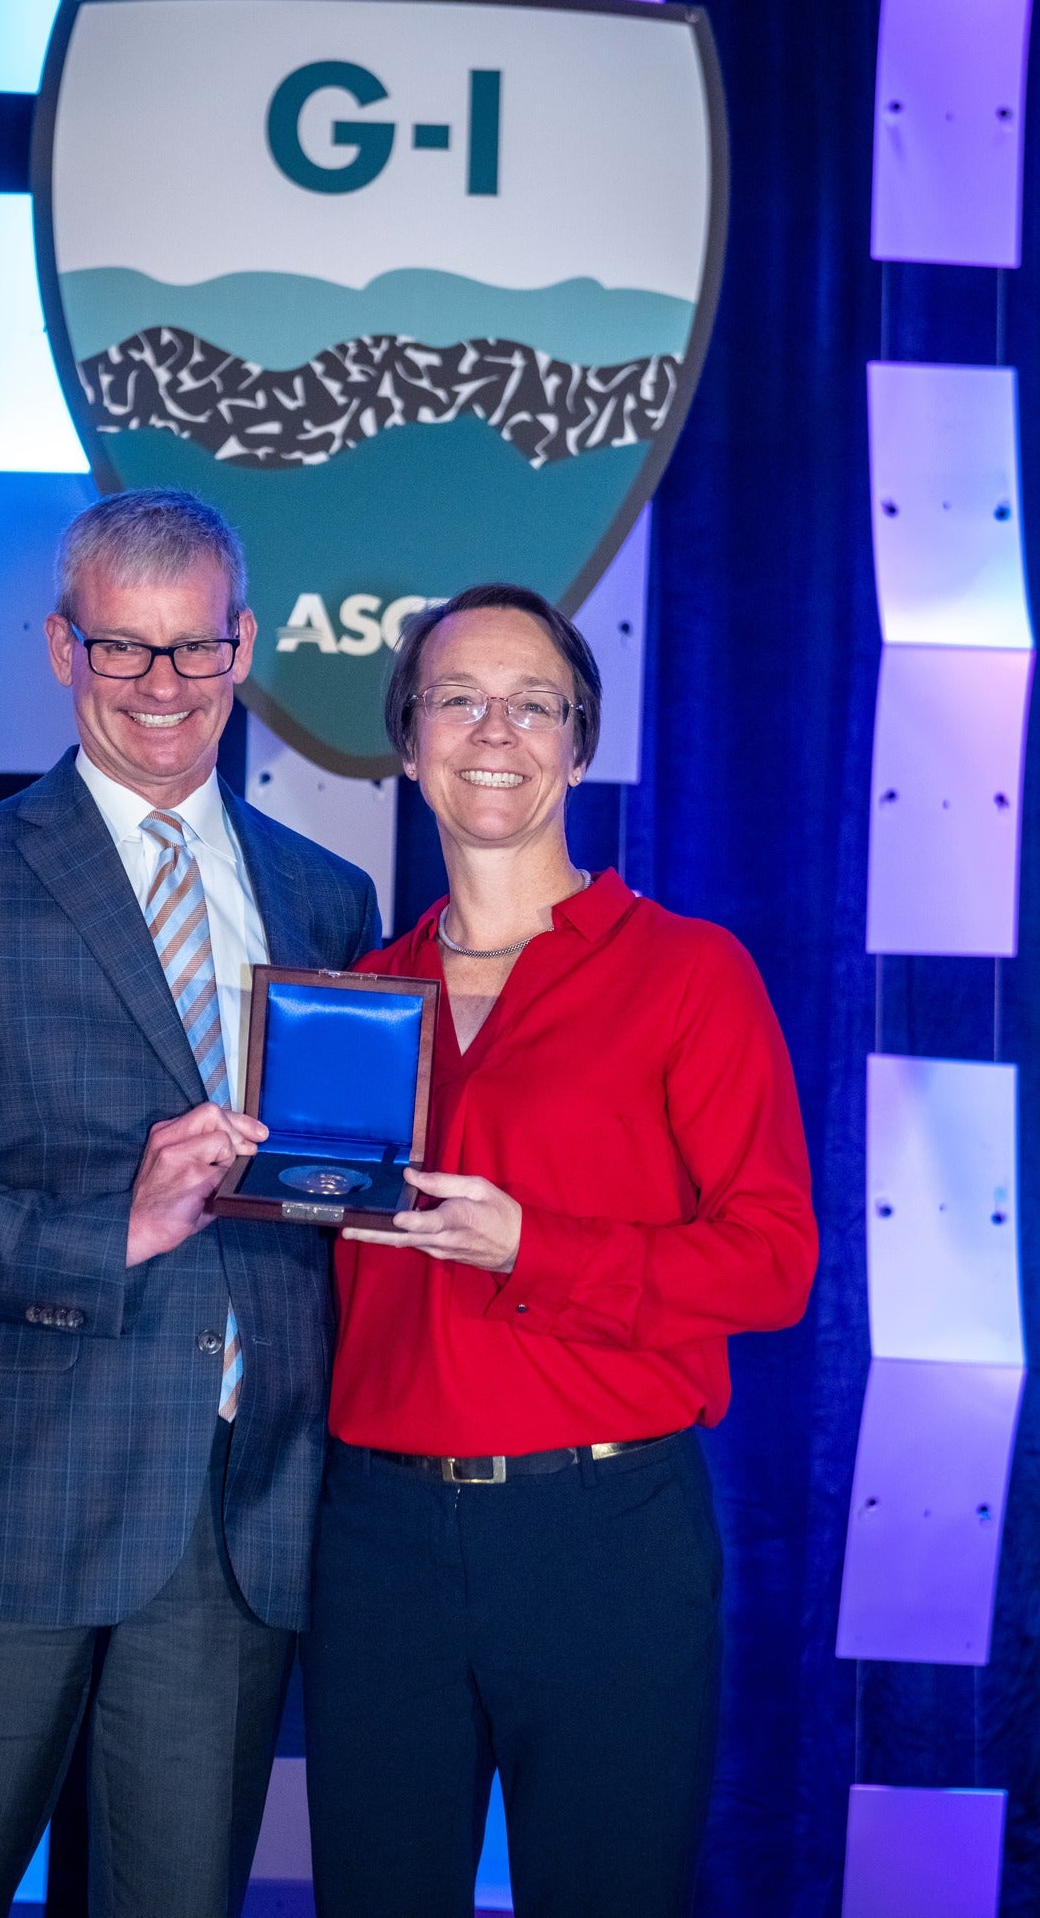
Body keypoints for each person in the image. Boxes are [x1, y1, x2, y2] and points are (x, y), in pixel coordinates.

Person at [0, 488, 378, 1918]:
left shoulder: (327, 897)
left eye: (191, 651)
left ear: (242, 648)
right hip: (7, 1508)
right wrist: (111, 1229)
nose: (160, 689)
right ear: (62, 651)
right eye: (123, 651)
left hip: (234, 1523)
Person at [302, 582, 818, 1918]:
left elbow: (772, 1263)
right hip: (375, 1541)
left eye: (535, 703)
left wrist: (535, 1244)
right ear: (406, 743)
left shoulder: (688, 974)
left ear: (577, 747)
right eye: (458, 698)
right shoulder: (351, 1000)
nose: (496, 729)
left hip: (606, 1536)